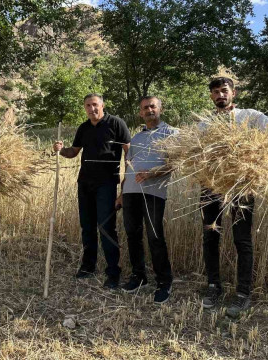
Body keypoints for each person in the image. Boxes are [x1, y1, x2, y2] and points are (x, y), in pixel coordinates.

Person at [200, 77, 268, 318]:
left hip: (242, 186)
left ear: (234, 93)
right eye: (216, 92)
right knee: (210, 237)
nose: (220, 95)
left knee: (242, 239)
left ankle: (243, 294)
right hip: (210, 186)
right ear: (211, 96)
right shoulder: (205, 124)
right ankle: (213, 287)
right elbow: (194, 152)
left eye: (224, 91)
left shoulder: (250, 116)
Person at [53, 93, 131, 289]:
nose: (92, 109)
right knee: (87, 226)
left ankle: (113, 272)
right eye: (88, 106)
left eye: (95, 105)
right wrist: (61, 149)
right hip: (85, 183)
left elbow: (129, 155)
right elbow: (73, 152)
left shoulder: (116, 124)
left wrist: (125, 187)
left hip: (106, 184)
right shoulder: (84, 127)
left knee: (106, 228)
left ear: (102, 105)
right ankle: (88, 266)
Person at [118, 96, 176, 304]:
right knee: (132, 234)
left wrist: (153, 173)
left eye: (153, 106)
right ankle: (139, 276)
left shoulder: (172, 133)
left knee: (155, 236)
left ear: (160, 108)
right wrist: (121, 193)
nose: (149, 110)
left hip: (153, 193)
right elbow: (128, 168)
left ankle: (164, 281)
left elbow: (176, 164)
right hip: (130, 193)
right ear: (140, 113)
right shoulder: (136, 138)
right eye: (145, 108)